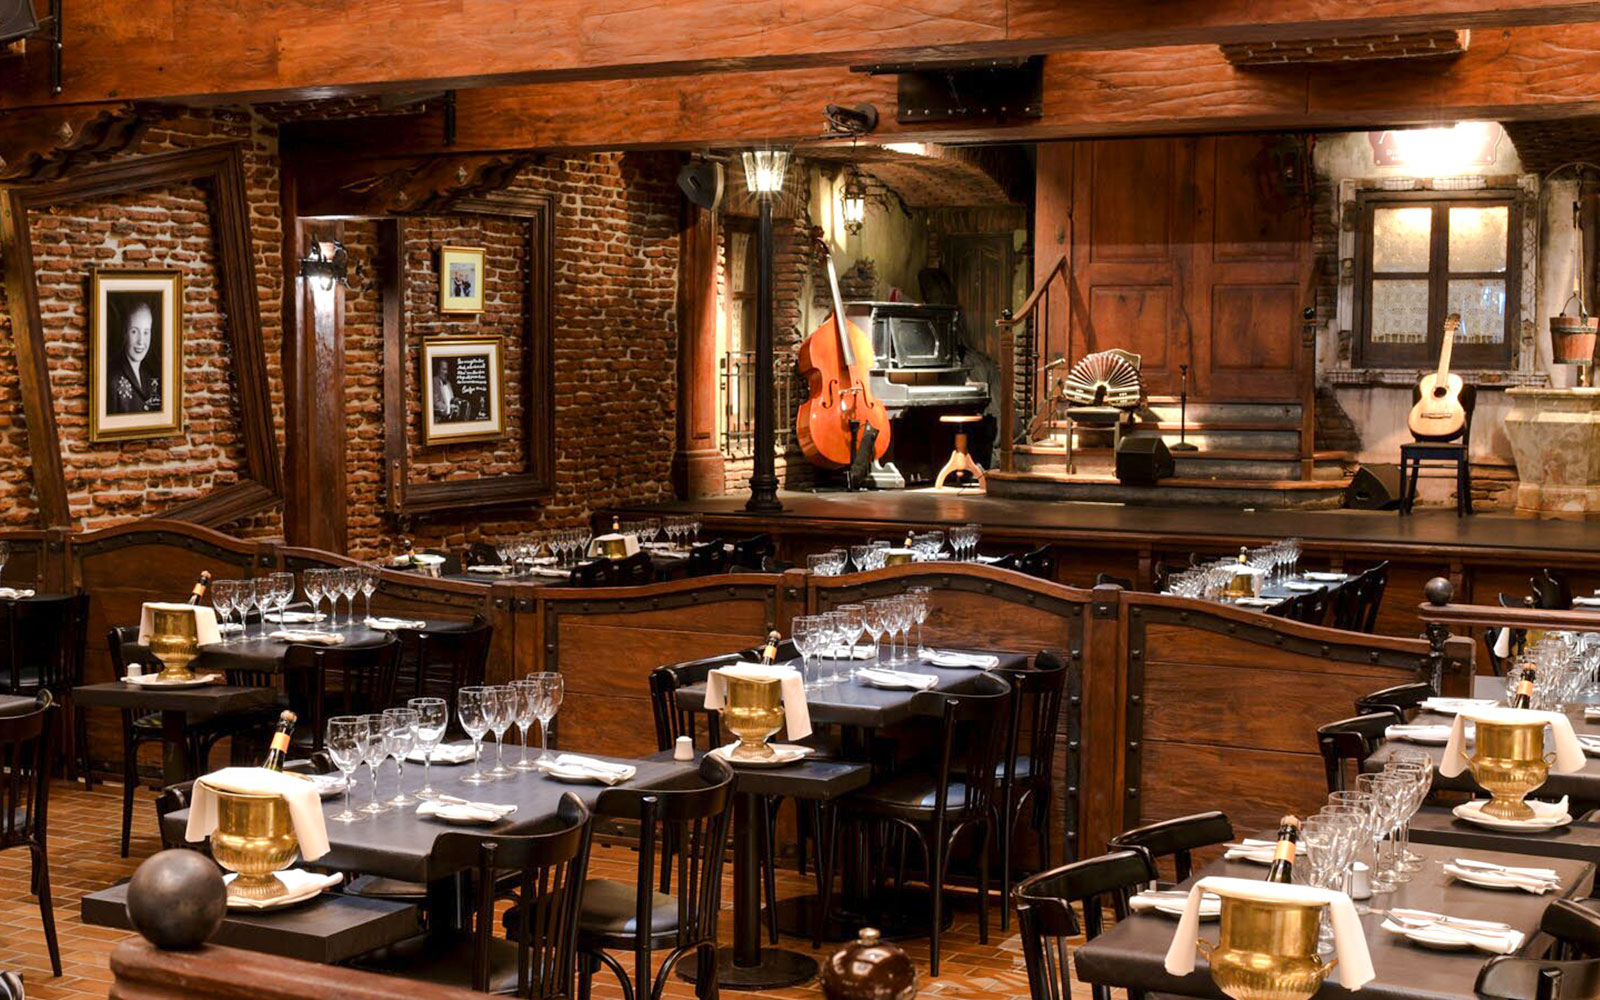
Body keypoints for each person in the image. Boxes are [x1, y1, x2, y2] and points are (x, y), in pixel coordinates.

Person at [107, 299, 160, 414]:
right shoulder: (112, 379)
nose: (141, 341)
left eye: (146, 332)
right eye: (134, 331)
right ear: (125, 333)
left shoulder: (149, 376)